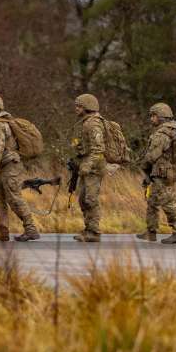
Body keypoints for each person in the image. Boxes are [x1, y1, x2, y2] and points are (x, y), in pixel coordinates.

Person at [0, 93, 41, 242]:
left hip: (9, 167)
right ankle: (2, 230)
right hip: (6, 166)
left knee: (14, 198)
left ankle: (31, 229)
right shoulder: (4, 122)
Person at [139, 102, 176, 244]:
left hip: (163, 173)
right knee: (153, 201)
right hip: (164, 171)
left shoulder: (162, 133)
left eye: (153, 116)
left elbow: (152, 155)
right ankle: (151, 231)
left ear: (161, 117)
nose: (151, 119)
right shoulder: (173, 130)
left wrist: (143, 164)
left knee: (168, 202)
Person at [69, 92, 108, 242]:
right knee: (83, 199)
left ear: (87, 107)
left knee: (91, 199)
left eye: (79, 106)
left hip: (94, 168)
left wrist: (87, 165)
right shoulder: (85, 122)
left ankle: (94, 231)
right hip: (87, 166)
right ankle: (88, 229)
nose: (76, 108)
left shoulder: (93, 124)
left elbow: (99, 149)